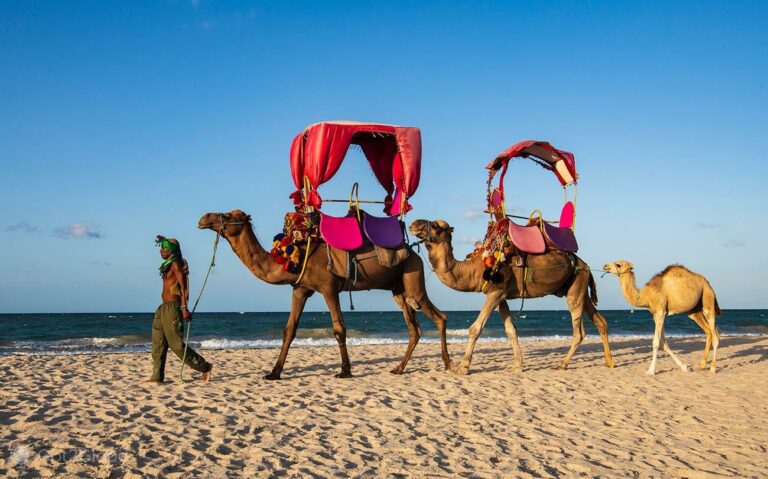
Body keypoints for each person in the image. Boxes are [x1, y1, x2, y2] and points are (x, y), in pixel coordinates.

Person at [145, 235, 212, 383]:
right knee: (158, 344)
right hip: (162, 308)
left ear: (172, 251)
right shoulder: (168, 265)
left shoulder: (176, 264)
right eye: (161, 248)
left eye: (164, 248)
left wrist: (184, 308)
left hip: (174, 308)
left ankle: (205, 367)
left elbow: (183, 287)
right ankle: (157, 376)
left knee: (176, 345)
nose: (161, 251)